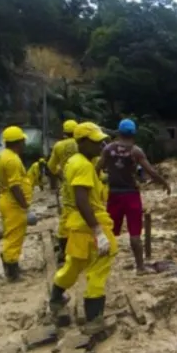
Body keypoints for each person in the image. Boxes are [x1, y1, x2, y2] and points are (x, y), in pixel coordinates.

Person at [48, 123, 118, 334]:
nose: (101, 145)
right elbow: (81, 200)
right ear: (83, 142)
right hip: (90, 223)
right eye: (97, 142)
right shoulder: (84, 166)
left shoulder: (74, 161)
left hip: (77, 225)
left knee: (74, 263)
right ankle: (93, 319)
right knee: (100, 265)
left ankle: (56, 297)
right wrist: (98, 231)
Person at [98, 118, 170, 274]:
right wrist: (164, 183)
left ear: (119, 131)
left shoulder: (108, 149)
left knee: (109, 231)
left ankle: (100, 265)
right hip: (131, 194)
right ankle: (140, 267)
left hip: (114, 194)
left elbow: (98, 168)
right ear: (134, 133)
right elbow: (151, 172)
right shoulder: (135, 151)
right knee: (135, 233)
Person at [0, 126, 33, 281]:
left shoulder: (2, 156)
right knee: (14, 236)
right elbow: (15, 186)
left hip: (6, 199)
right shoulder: (12, 160)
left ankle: (11, 264)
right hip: (13, 203)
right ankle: (12, 271)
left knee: (11, 234)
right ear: (19, 141)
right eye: (23, 141)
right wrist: (24, 205)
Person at [48, 119, 80, 263]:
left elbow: (51, 166)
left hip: (67, 186)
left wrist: (60, 176)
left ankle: (64, 250)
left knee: (66, 217)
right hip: (84, 184)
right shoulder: (82, 144)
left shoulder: (58, 146)